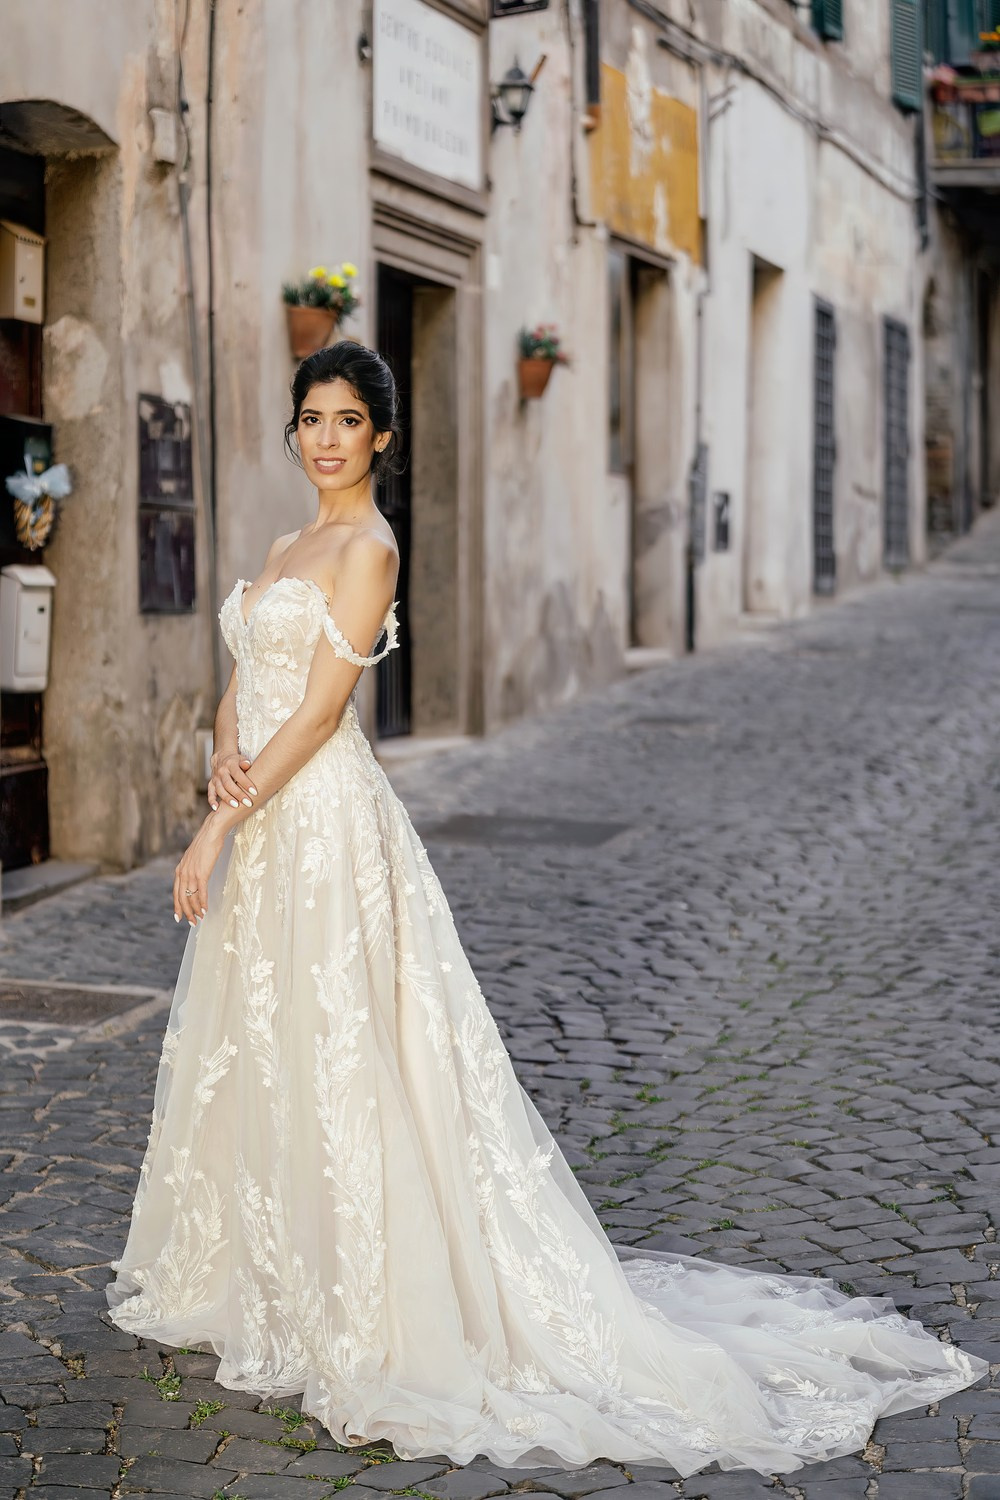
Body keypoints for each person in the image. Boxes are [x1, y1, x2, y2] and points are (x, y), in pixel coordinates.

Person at [106, 342, 985, 1476]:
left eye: (345, 421)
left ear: (381, 436)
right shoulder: (285, 544)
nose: (324, 439)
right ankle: (265, 1268)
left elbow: (324, 712)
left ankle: (375, 1294)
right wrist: (220, 759)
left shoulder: (371, 549)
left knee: (347, 1044)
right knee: (264, 1041)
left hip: (322, 827)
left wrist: (221, 824)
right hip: (268, 817)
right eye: (309, 419)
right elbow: (244, 682)